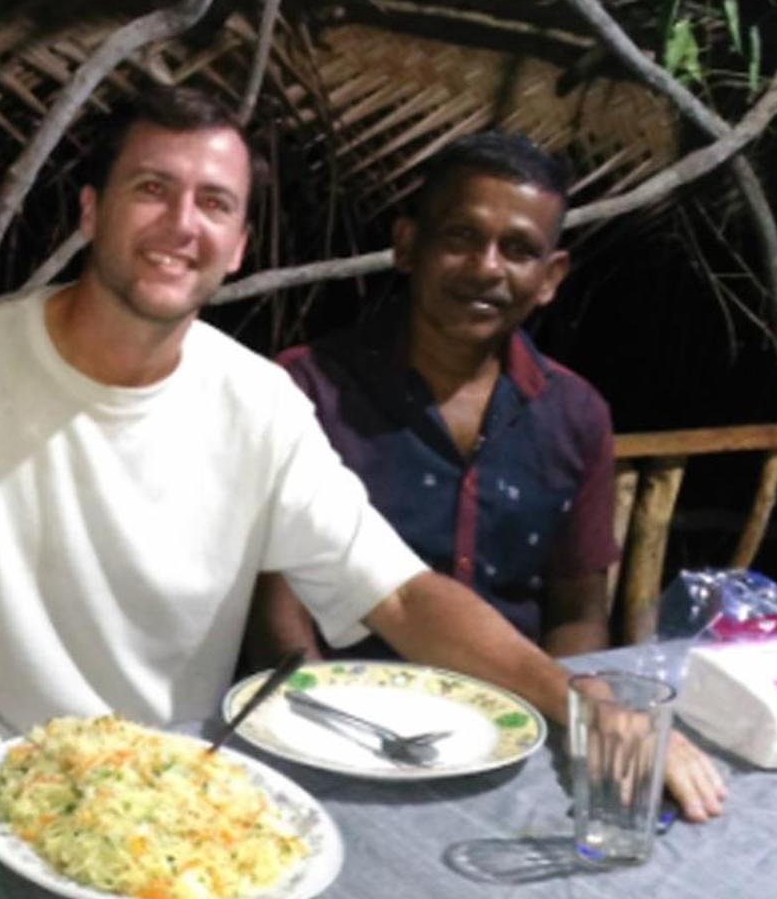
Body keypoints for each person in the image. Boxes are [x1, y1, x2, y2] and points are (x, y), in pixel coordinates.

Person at [0, 86, 726, 821]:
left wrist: (579, 702)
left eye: (214, 203)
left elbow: (403, 598)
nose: (182, 224)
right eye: (151, 189)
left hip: (162, 796)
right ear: (88, 211)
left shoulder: (257, 404)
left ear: (241, 243)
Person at [250, 132, 616, 665]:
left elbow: (578, 615)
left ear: (549, 278)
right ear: (407, 245)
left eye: (518, 250)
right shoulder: (309, 390)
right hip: (340, 712)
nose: (487, 267)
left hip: (515, 720)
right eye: (461, 237)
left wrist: (568, 716)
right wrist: (315, 722)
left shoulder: (576, 414)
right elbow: (277, 610)